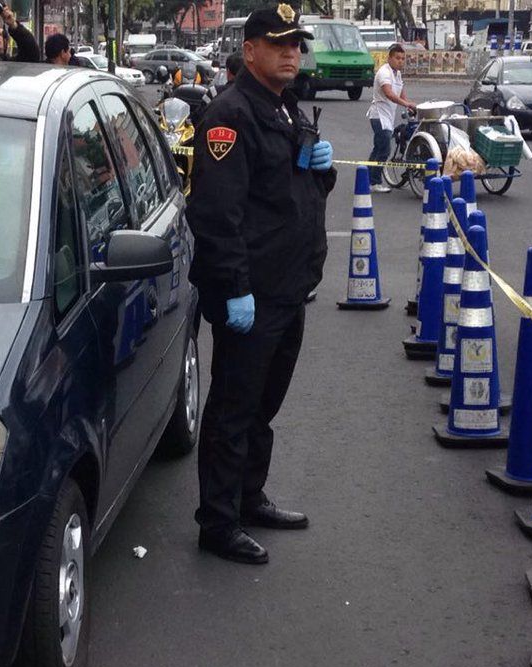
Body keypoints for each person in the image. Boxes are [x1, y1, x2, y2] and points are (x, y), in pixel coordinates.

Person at [185, 4, 337, 565]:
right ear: (250, 51)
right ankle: (218, 523)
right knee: (233, 409)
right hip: (252, 294)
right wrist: (234, 288)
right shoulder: (231, 116)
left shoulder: (287, 109)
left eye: (296, 43)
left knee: (263, 406)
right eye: (279, 44)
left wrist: (324, 166)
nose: (291, 52)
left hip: (289, 287)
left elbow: (302, 191)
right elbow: (217, 215)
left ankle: (250, 497)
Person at [368, 43, 416, 193]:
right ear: (389, 58)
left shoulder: (397, 74)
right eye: (397, 58)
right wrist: (406, 103)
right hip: (379, 115)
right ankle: (374, 182)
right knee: (384, 149)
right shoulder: (384, 72)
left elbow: (401, 92)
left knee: (379, 148)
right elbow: (389, 93)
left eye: (402, 58)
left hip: (388, 115)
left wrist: (409, 105)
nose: (400, 61)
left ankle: (367, 178)